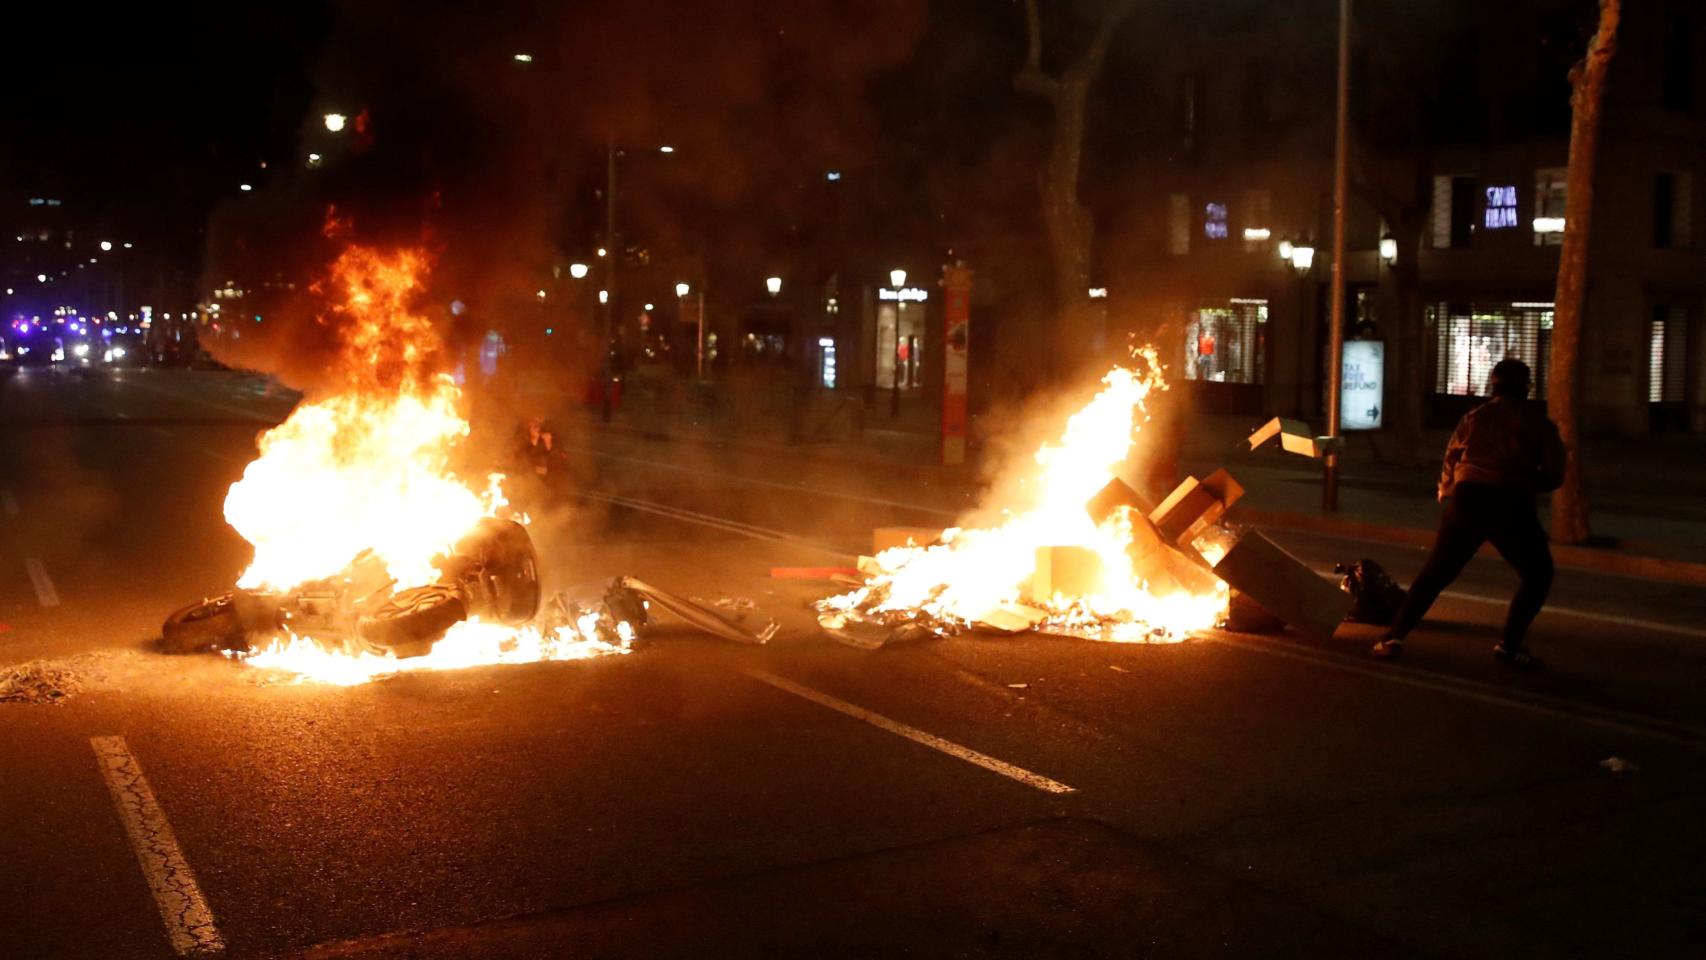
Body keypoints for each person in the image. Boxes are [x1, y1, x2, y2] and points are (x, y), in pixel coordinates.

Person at [1372, 359, 1565, 669]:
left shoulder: (1475, 416)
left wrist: (1446, 488)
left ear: (1493, 386)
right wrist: (1528, 483)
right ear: (1527, 387)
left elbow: (1452, 455)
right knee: (1539, 574)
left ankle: (1393, 637)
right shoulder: (1538, 422)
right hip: (1511, 502)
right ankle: (1509, 646)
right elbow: (1555, 474)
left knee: (1437, 572)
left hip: (1468, 499)